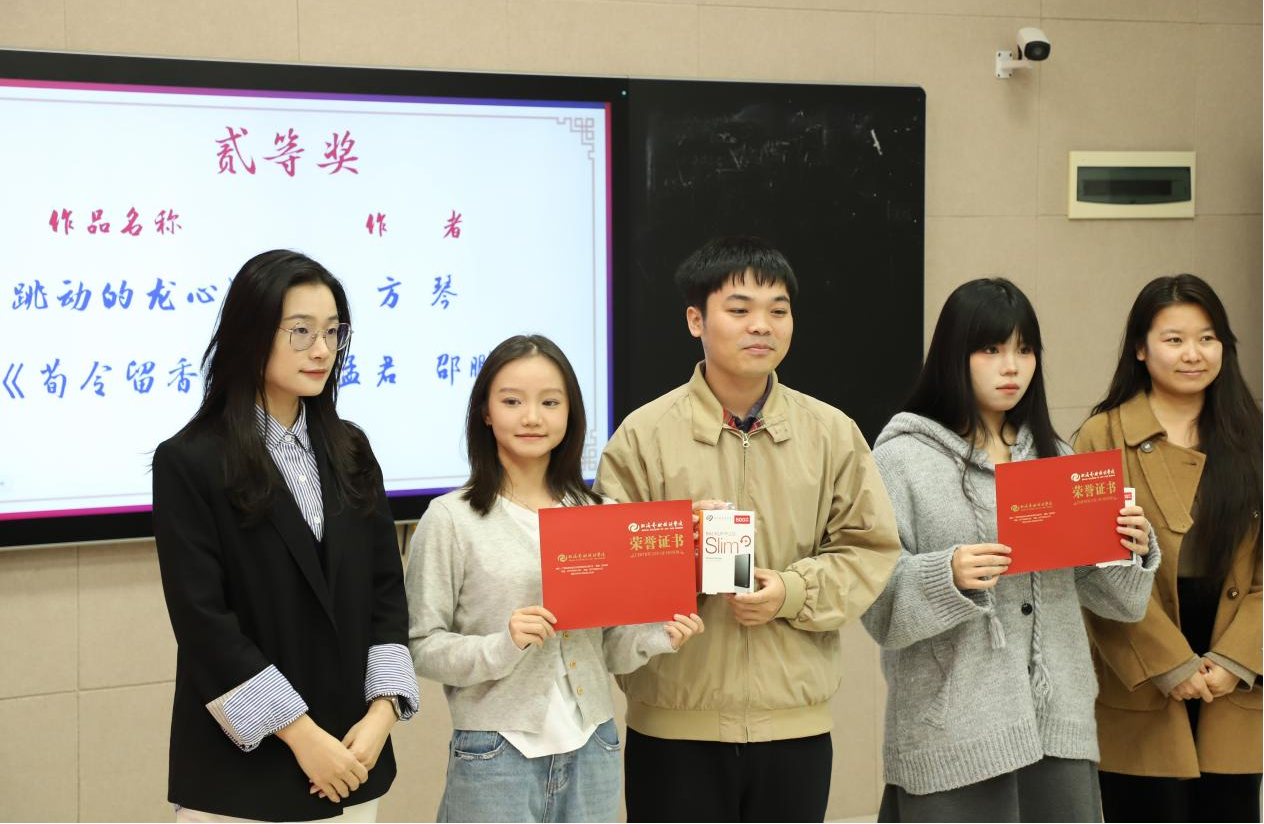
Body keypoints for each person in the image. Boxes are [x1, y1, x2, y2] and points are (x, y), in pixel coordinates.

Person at [594, 236, 901, 823]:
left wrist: (792, 592)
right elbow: (607, 571)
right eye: (739, 309)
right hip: (673, 727)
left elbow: (869, 549)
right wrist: (678, 557)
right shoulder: (642, 436)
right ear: (696, 320)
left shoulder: (832, 433)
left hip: (794, 727)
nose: (761, 325)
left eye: (777, 310)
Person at [862, 277, 1159, 822]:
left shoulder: (1056, 457)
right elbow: (878, 607)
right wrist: (947, 574)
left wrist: (1128, 551)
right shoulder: (901, 459)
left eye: (1025, 350)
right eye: (991, 349)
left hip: (1057, 727)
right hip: (953, 734)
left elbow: (1122, 604)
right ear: (953, 356)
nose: (1011, 367)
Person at [152, 250, 419, 822]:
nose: (321, 350)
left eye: (332, 332)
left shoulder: (351, 449)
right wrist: (301, 736)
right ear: (250, 335)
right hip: (243, 776)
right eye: (301, 331)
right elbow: (204, 623)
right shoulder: (190, 461)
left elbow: (385, 594)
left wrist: (382, 715)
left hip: (352, 760)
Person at [406, 334, 703, 824]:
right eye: (512, 401)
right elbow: (421, 645)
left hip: (594, 746)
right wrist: (502, 645)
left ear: (570, 414)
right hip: (495, 754)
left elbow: (609, 649)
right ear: (485, 412)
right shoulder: (450, 518)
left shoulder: (601, 513)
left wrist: (659, 636)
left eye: (549, 402)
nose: (532, 417)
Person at [1075, 274, 1262, 823]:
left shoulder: (1253, 437)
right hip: (1142, 660)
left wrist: (1236, 661)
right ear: (1141, 347)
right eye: (1174, 339)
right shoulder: (1100, 436)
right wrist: (1169, 663)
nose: (1193, 354)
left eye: (1207, 338)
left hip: (1235, 661)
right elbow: (1091, 574)